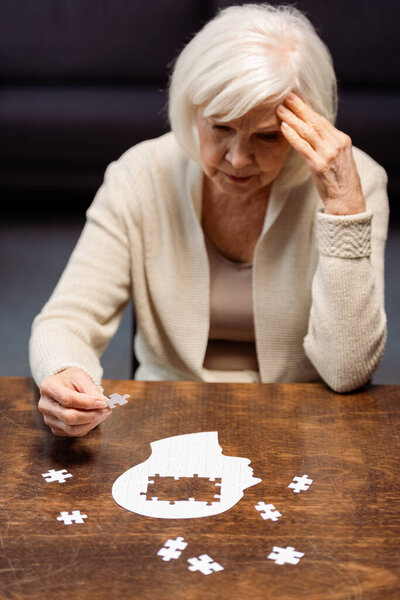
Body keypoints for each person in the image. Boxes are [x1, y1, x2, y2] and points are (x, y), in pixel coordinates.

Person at [30, 3, 389, 437]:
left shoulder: (354, 184)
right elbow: (67, 319)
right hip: (163, 417)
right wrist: (66, 372)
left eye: (267, 136)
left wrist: (344, 209)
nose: (238, 159)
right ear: (191, 108)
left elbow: (347, 371)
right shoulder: (140, 173)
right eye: (220, 127)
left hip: (303, 427)